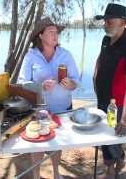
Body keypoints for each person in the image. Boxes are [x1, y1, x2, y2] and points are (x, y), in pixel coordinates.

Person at [17, 17, 80, 179]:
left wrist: (70, 84)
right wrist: (40, 86)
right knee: (37, 144)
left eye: (56, 32)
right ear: (41, 35)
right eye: (51, 32)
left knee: (57, 144)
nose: (55, 35)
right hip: (39, 109)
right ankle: (36, 175)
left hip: (62, 109)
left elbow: (76, 81)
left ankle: (56, 173)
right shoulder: (31, 56)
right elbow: (21, 83)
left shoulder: (66, 55)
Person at [93, 3, 126, 179]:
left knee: (111, 136)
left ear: (123, 22)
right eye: (105, 20)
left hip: (116, 103)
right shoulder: (106, 40)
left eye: (109, 20)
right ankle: (119, 159)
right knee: (103, 134)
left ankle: (110, 170)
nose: (105, 24)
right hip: (102, 98)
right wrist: (94, 77)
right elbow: (100, 61)